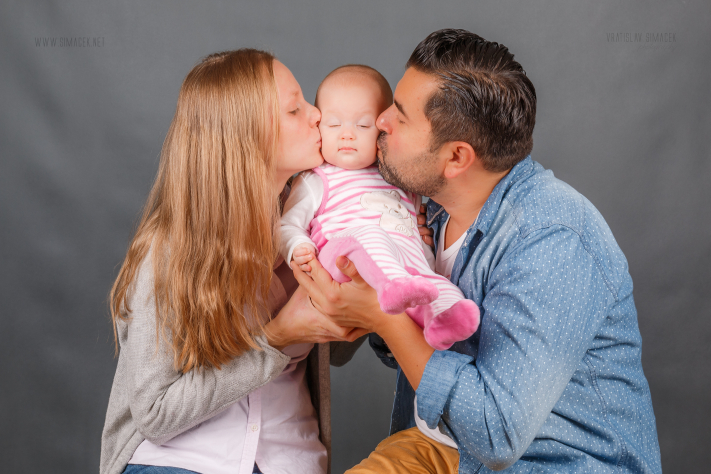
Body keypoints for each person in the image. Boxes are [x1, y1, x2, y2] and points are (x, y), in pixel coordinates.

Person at [293, 29, 663, 473]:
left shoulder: (553, 238)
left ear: (456, 158)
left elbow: (495, 436)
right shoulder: (426, 209)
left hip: (546, 462)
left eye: (401, 117)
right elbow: (397, 342)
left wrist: (385, 318)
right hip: (438, 445)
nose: (381, 120)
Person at [100, 49, 364, 474]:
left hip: (287, 460)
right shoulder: (170, 251)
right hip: (178, 461)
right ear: (247, 138)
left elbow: (335, 348)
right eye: (295, 109)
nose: (317, 114)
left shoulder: (318, 223)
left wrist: (380, 278)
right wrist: (276, 337)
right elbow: (155, 413)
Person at [280, 64, 479, 351]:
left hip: (399, 266)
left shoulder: (400, 180)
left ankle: (444, 321)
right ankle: (395, 285)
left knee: (436, 283)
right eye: (333, 125)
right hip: (342, 261)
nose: (347, 135)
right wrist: (297, 246)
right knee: (370, 237)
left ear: (382, 131)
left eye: (362, 125)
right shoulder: (317, 179)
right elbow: (287, 224)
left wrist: (425, 256)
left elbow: (411, 231)